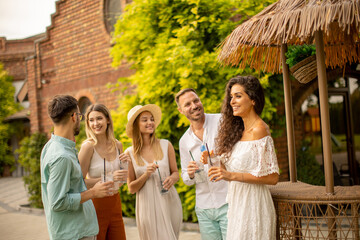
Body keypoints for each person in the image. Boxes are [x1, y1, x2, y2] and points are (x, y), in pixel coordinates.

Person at [204, 75, 279, 240]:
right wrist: (214, 160)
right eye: (231, 97)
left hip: (254, 205)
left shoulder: (260, 130)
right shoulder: (237, 132)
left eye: (238, 96)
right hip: (237, 204)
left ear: (253, 99)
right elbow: (228, 170)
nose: (232, 101)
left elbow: (273, 177)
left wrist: (231, 176)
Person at [41, 95, 114, 240]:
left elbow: (73, 183)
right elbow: (57, 202)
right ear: (74, 117)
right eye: (81, 116)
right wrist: (93, 193)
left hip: (77, 230)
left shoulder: (54, 147)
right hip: (75, 234)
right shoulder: (61, 156)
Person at [175, 89, 228, 240]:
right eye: (187, 104)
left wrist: (217, 157)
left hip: (227, 201)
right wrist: (190, 174)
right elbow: (185, 177)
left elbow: (237, 155)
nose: (194, 105)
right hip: (204, 208)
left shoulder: (222, 122)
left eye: (196, 100)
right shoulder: (184, 141)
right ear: (181, 110)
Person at [125, 104, 182, 240]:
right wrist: (146, 174)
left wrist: (172, 179)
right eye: (144, 120)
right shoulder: (129, 153)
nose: (150, 122)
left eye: (151, 119)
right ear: (136, 125)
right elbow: (131, 188)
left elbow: (175, 173)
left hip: (169, 202)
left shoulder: (166, 145)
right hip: (147, 208)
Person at [78, 104, 128, 240]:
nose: (95, 123)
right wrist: (110, 177)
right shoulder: (88, 147)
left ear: (107, 120)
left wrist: (125, 167)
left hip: (115, 204)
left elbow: (122, 181)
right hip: (95, 205)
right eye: (91, 120)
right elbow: (78, 182)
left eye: (99, 118)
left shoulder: (118, 145)